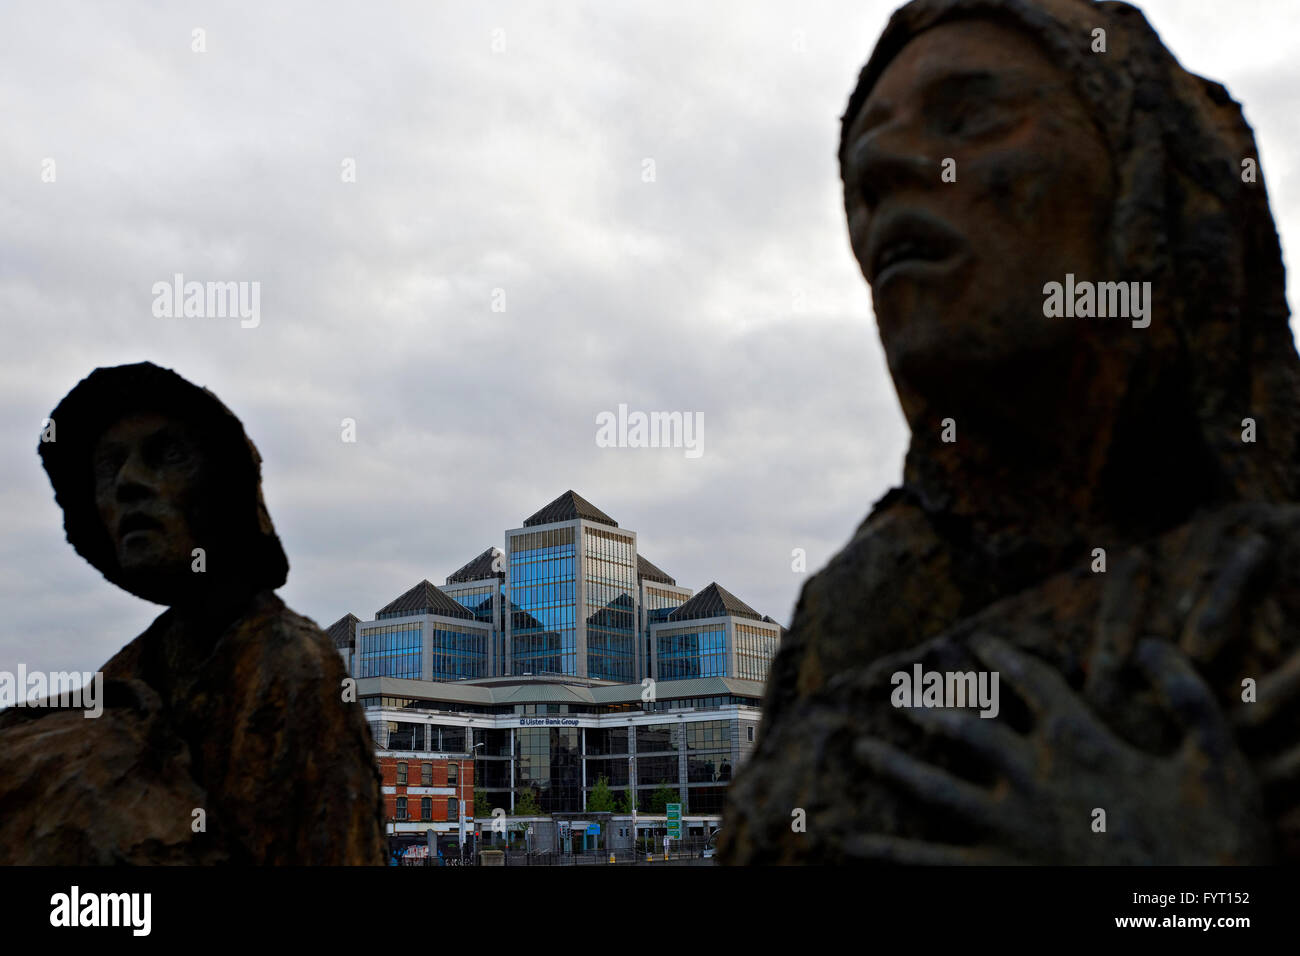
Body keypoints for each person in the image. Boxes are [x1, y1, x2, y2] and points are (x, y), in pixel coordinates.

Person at [721, 0, 1300, 864]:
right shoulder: (851, 615)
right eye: (861, 163)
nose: (882, 165)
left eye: (969, 115)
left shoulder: (1269, 591)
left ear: (1143, 180)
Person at [0, 362, 387, 864]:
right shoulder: (128, 672)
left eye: (166, 455)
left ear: (223, 486)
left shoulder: (293, 665)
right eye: (108, 466)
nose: (128, 482)